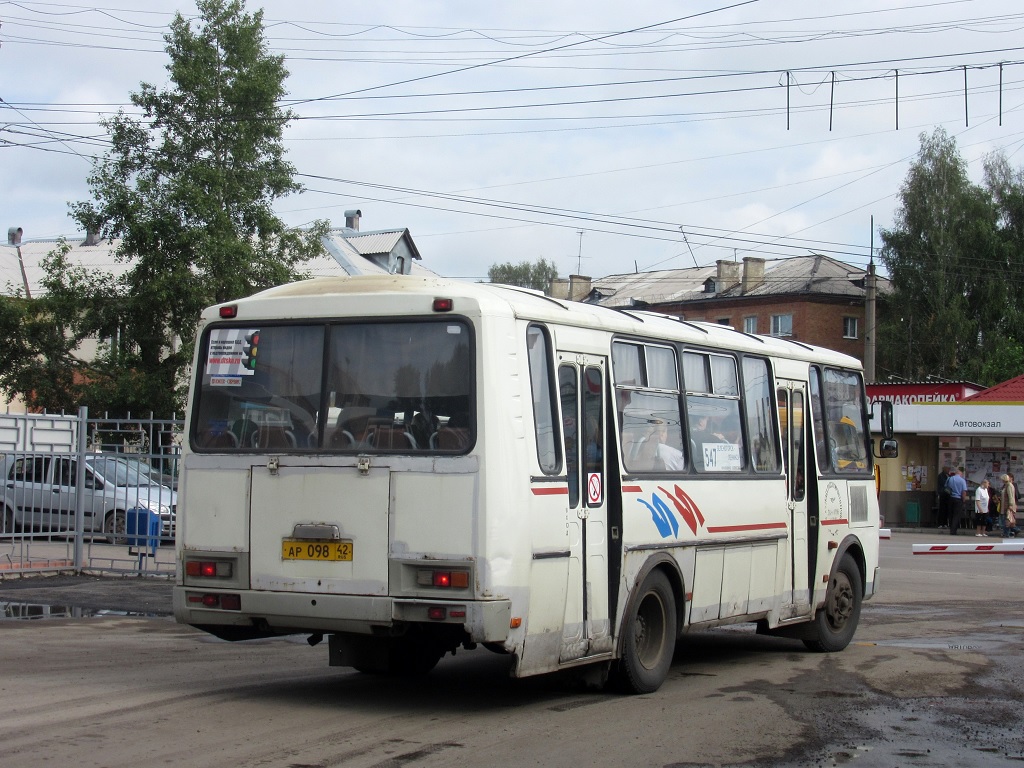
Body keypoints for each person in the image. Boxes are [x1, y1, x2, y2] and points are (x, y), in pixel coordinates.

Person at [945, 468, 967, 536]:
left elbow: (946, 487)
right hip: (958, 499)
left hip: (951, 498)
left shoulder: (950, 479)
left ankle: (951, 527)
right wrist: (964, 500)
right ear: (960, 474)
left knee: (951, 514)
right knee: (956, 515)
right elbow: (964, 492)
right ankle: (953, 530)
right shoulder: (962, 480)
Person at [1000, 474, 1019, 538]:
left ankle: (1010, 532)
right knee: (1007, 520)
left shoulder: (1009, 486)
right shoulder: (1006, 485)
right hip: (1005, 505)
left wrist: (1010, 505)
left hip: (1007, 506)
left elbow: (1011, 496)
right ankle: (1009, 532)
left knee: (1006, 520)